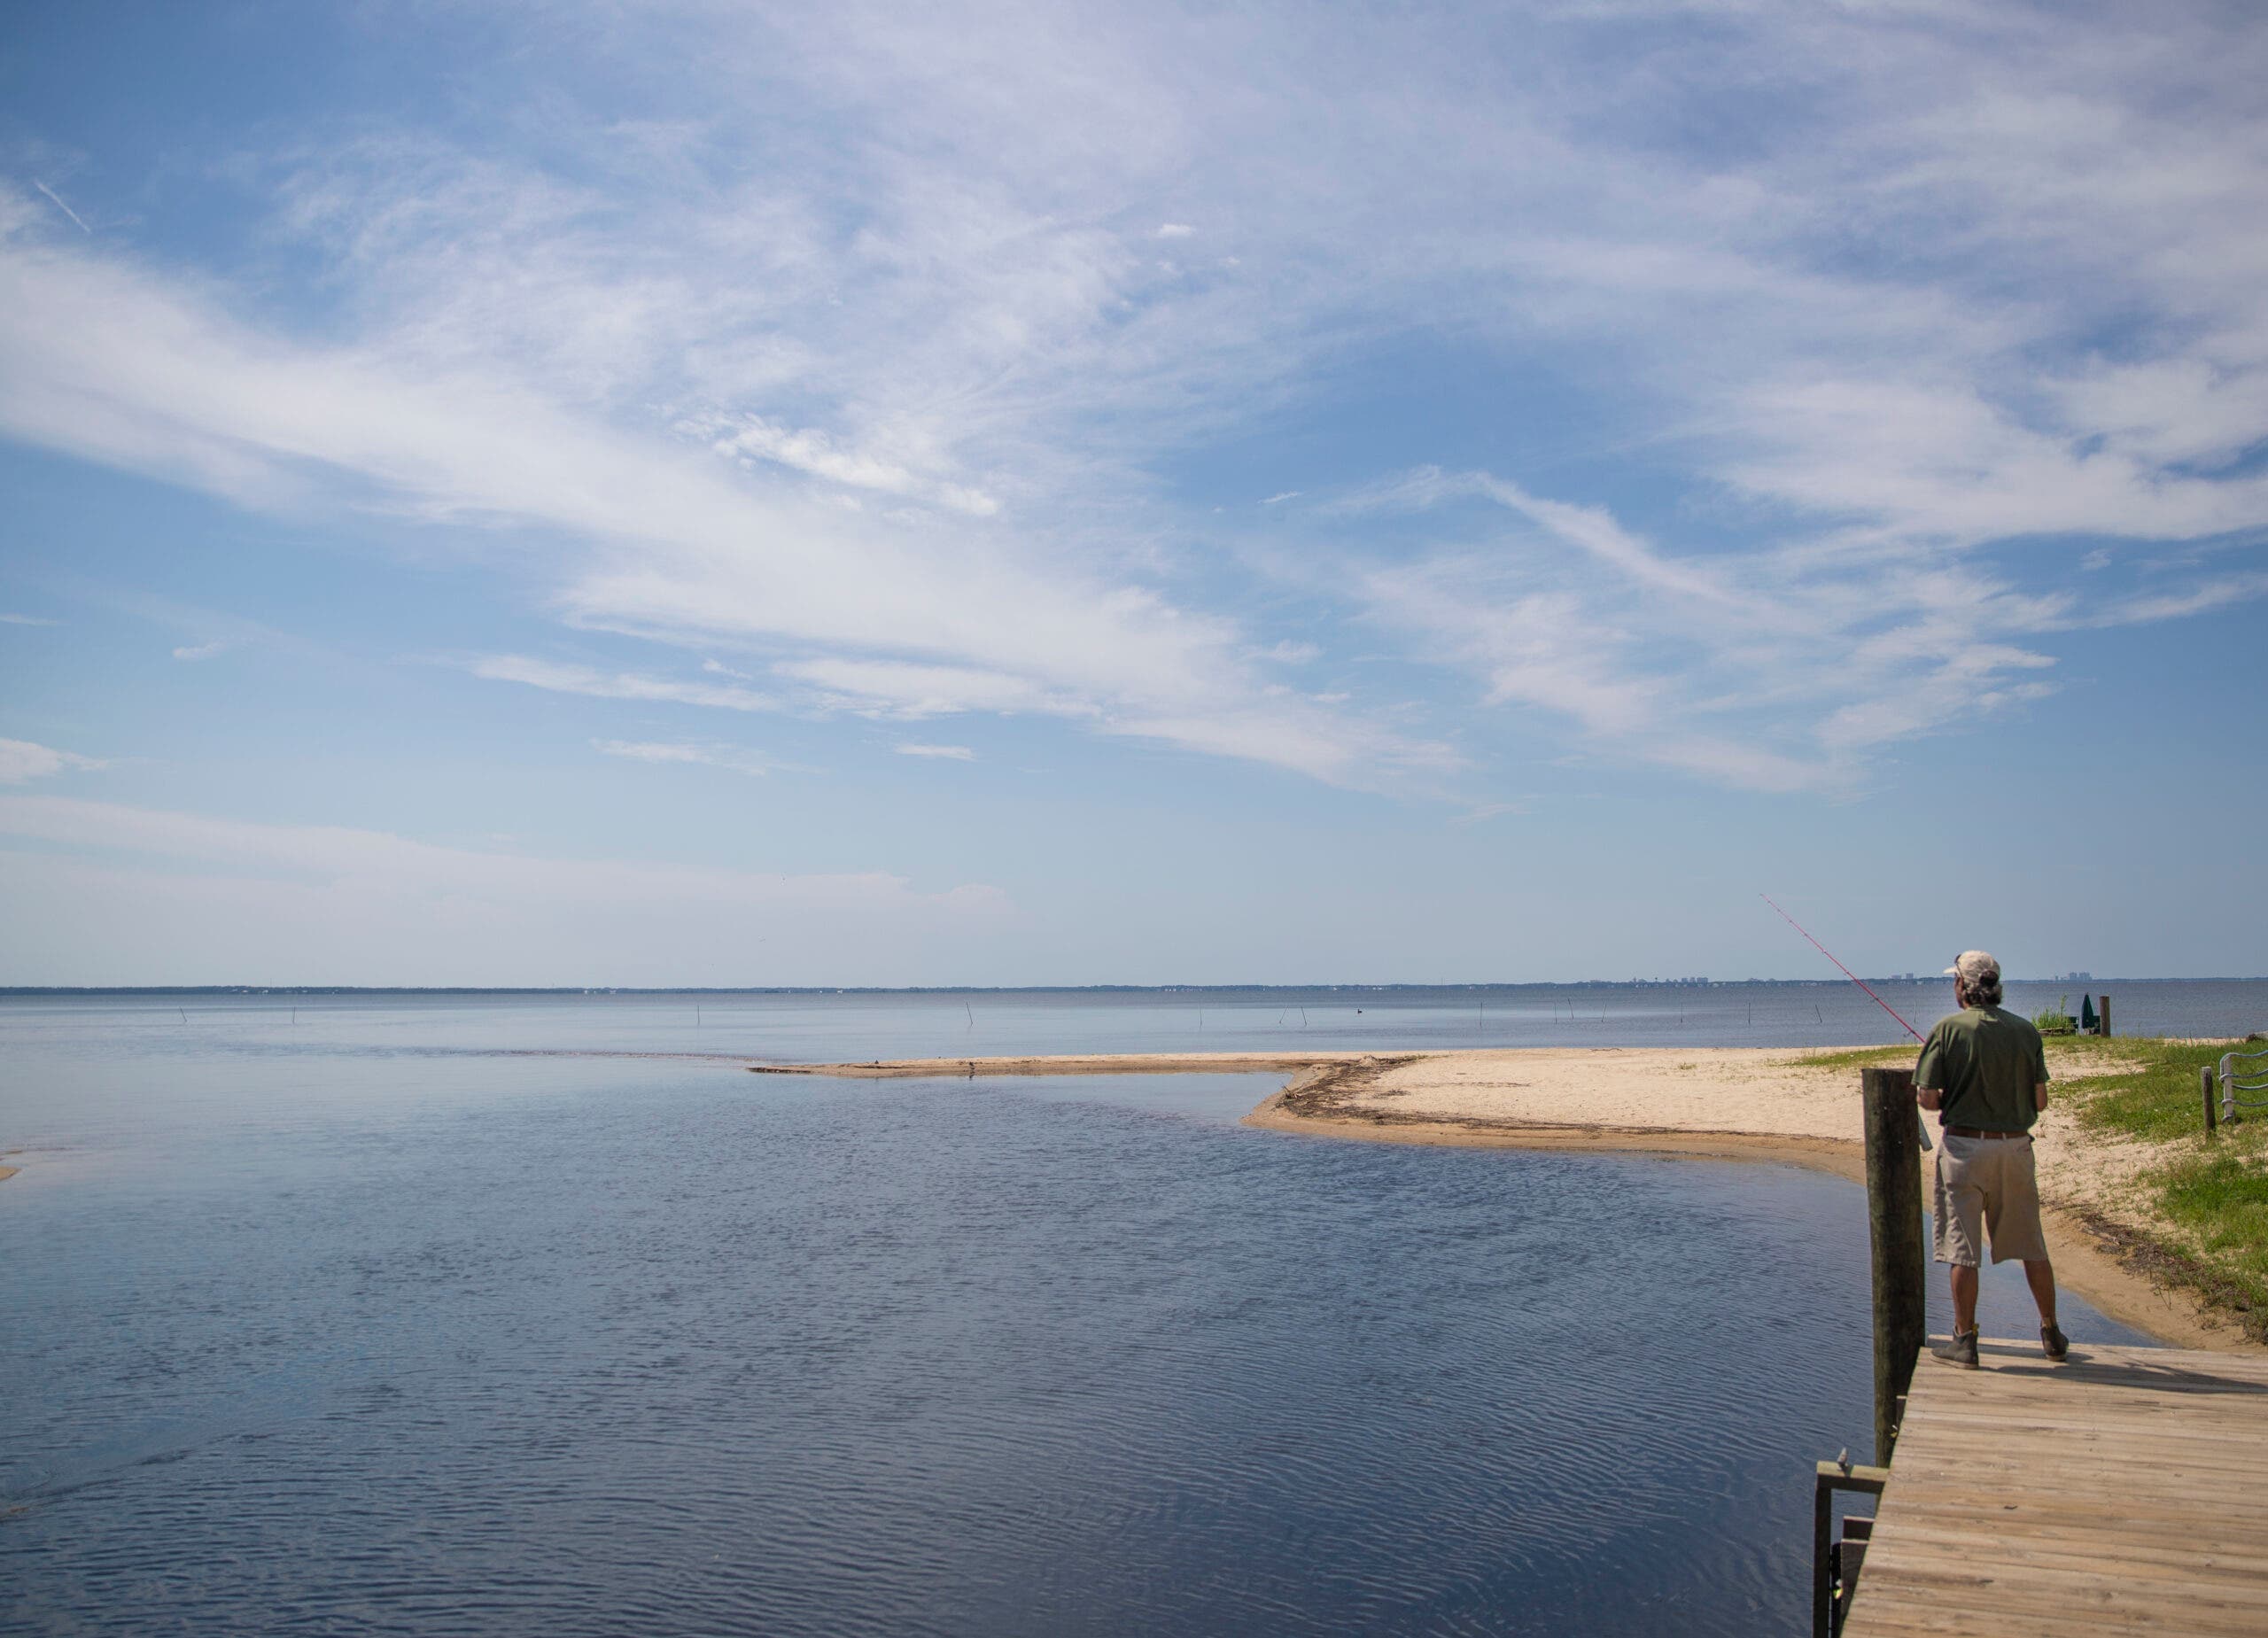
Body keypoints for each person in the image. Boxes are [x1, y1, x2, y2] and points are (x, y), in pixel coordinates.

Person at [1915, 950, 2068, 1368]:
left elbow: (1927, 1099)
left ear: (1963, 987)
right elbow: (2040, 1099)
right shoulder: (2026, 1032)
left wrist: (1955, 1096)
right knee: (2032, 1245)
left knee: (1962, 1249)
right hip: (2015, 1148)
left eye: (1955, 982)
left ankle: (1965, 1338)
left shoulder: (1947, 1030)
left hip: (1964, 1149)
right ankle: (2050, 1331)